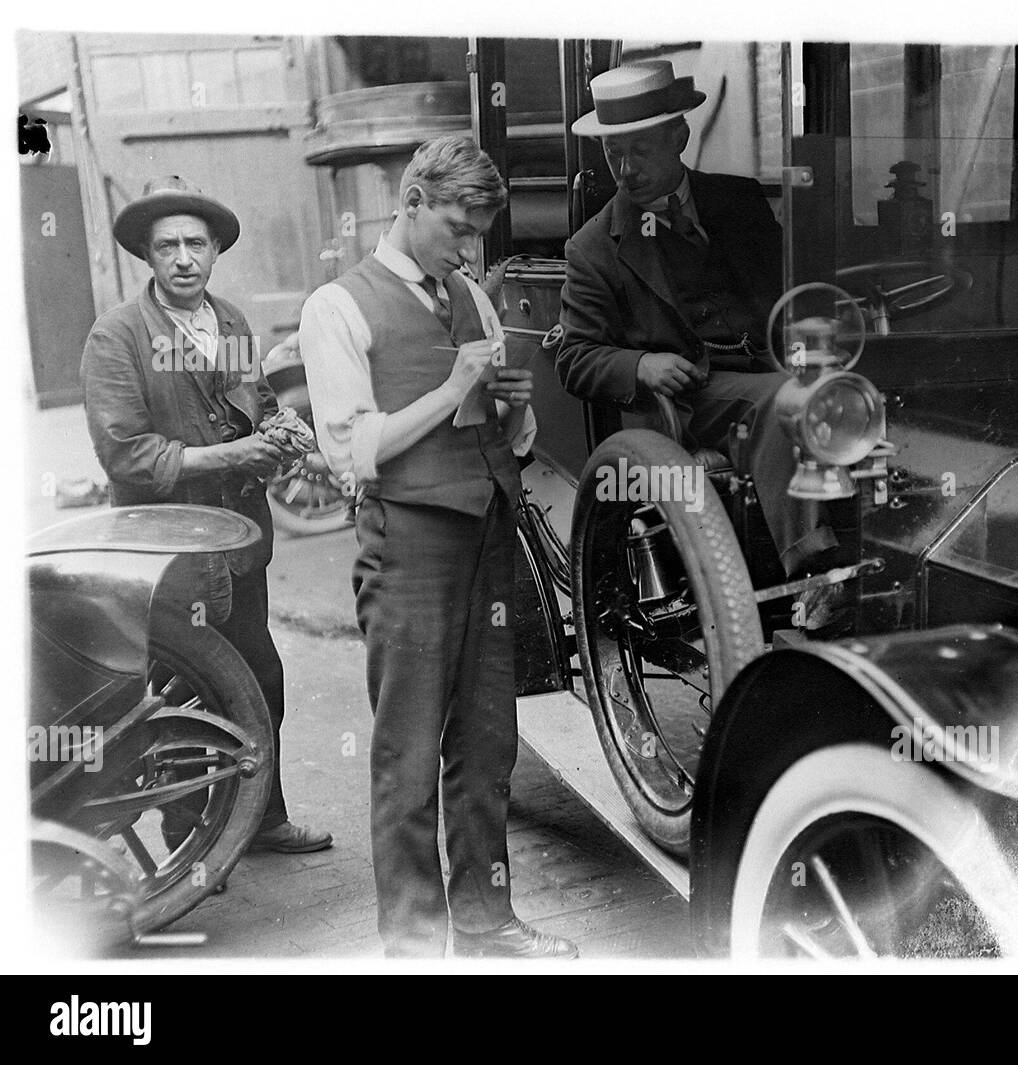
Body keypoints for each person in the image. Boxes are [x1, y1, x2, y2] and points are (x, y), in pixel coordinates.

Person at [297, 136, 578, 959]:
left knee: (489, 741)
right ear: (412, 201)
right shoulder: (337, 307)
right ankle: (416, 943)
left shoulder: (473, 299)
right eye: (459, 225)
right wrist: (454, 387)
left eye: (481, 231)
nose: (470, 248)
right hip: (408, 543)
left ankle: (488, 923)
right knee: (409, 750)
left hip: (489, 534)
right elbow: (353, 452)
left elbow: (510, 439)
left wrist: (512, 407)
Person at [81, 175, 333, 856]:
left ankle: (262, 818)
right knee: (180, 697)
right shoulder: (117, 338)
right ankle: (194, 838)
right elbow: (130, 458)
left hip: (241, 548)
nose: (184, 257)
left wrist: (286, 433)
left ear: (217, 248)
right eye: (168, 246)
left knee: (260, 682)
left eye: (197, 242)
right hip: (167, 557)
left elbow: (258, 402)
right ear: (148, 256)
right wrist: (237, 452)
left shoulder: (231, 323)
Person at [558, 60, 847, 620]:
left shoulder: (738, 202)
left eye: (639, 149)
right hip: (696, 393)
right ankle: (814, 574)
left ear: (679, 136)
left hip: (777, 361)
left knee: (856, 392)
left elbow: (795, 291)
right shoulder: (591, 248)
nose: (624, 169)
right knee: (783, 402)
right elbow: (574, 358)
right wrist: (640, 365)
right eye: (613, 153)